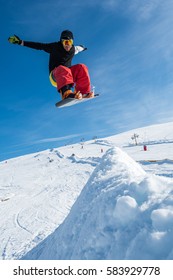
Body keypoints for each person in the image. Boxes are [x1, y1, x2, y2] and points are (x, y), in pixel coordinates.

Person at [8, 30, 94, 100]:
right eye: (65, 42)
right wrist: (21, 42)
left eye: (69, 42)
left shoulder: (73, 49)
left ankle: (83, 92)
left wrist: (83, 48)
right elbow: (39, 46)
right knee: (62, 68)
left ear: (72, 42)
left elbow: (79, 48)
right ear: (61, 42)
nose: (67, 45)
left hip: (68, 77)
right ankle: (66, 93)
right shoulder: (54, 47)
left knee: (81, 67)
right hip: (55, 76)